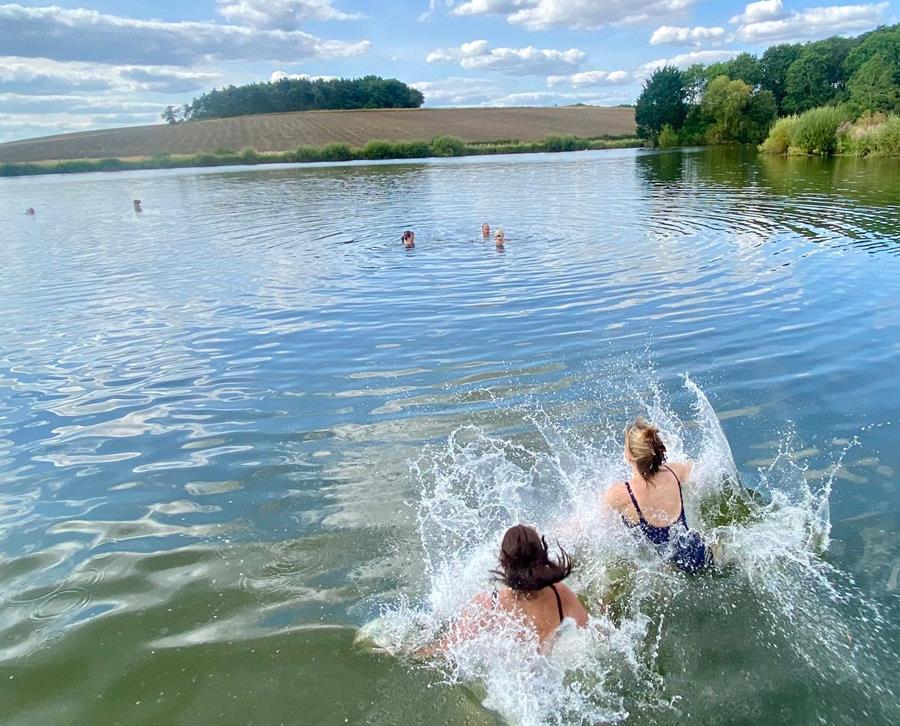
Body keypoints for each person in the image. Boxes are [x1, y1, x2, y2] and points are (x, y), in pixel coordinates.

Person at [426, 524, 588, 655]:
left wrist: (410, 651)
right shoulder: (560, 594)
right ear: (542, 557)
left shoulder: (488, 604)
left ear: (503, 563)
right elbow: (591, 632)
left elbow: (447, 649)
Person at [603, 418, 711, 573]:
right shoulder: (675, 471)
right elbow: (699, 471)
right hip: (697, 552)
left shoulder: (620, 494)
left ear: (628, 456)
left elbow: (593, 525)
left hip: (667, 570)